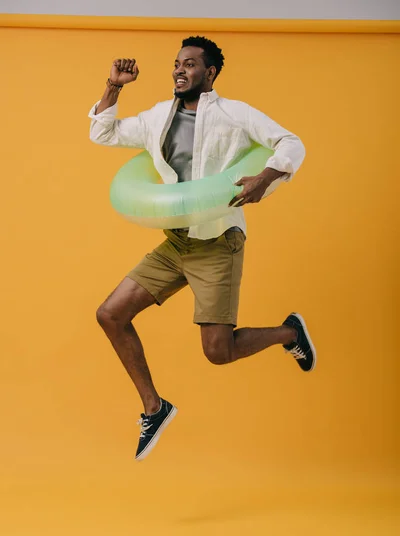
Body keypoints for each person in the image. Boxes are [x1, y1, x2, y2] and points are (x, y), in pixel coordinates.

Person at [89, 36, 316, 461]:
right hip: (177, 242)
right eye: (177, 63)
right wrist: (114, 86)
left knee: (218, 352)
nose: (180, 70)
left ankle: (290, 332)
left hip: (217, 243)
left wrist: (265, 177)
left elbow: (291, 143)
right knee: (110, 314)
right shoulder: (159, 116)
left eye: (190, 64)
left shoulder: (235, 114)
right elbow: (103, 133)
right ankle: (155, 409)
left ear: (210, 73)